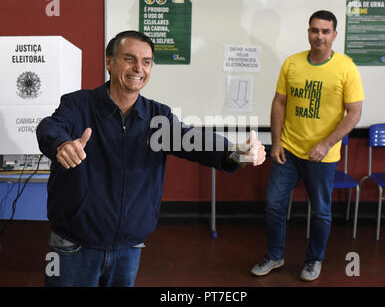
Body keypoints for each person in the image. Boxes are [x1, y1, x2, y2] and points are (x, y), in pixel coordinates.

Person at [36, 30, 266, 287]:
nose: (139, 68)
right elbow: (49, 127)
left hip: (129, 246)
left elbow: (193, 141)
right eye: (129, 59)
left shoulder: (157, 116)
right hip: (72, 245)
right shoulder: (78, 104)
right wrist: (62, 144)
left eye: (146, 62)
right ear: (109, 62)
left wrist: (234, 152)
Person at [250, 10, 364, 281]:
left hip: (322, 157)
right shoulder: (292, 63)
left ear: (334, 35)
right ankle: (275, 255)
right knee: (274, 205)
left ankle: (314, 260)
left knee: (321, 211)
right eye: (314, 30)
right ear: (308, 32)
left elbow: (355, 113)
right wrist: (276, 142)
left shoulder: (346, 68)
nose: (319, 36)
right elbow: (279, 102)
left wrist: (326, 144)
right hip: (288, 151)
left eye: (325, 31)